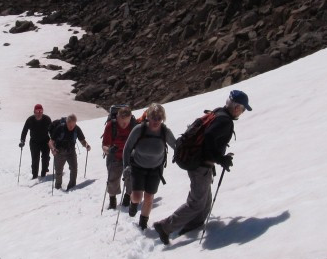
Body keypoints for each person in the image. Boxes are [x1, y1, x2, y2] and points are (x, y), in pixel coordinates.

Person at [153, 89, 252, 245]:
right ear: (236, 107)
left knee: (205, 202)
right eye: (242, 108)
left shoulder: (219, 113)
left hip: (198, 162)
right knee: (197, 202)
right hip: (200, 165)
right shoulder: (224, 121)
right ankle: (165, 226)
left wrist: (219, 159)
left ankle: (192, 227)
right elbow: (209, 140)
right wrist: (221, 159)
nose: (242, 112)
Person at [122, 102, 175, 230]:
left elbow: (176, 146)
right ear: (148, 117)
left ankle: (143, 223)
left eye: (159, 118)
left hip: (156, 169)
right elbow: (127, 148)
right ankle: (133, 204)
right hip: (138, 166)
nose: (156, 121)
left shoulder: (165, 132)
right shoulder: (139, 130)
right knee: (137, 196)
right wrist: (126, 166)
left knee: (149, 197)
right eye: (153, 118)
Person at [101, 106, 136, 209]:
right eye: (122, 122)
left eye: (127, 122)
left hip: (129, 157)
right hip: (114, 157)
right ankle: (112, 200)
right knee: (113, 180)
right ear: (118, 117)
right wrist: (109, 150)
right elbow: (104, 145)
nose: (125, 125)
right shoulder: (111, 126)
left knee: (131, 179)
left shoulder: (133, 125)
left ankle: (127, 196)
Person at [48, 114, 91, 190]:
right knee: (58, 171)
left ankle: (72, 187)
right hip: (59, 151)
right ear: (67, 122)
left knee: (74, 168)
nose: (71, 127)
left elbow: (82, 140)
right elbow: (51, 141)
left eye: (73, 125)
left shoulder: (77, 129)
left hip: (71, 151)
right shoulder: (60, 128)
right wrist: (53, 149)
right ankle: (58, 187)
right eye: (70, 125)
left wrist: (86, 145)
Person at [20, 103, 52, 179]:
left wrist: (53, 140)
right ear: (34, 112)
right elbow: (24, 131)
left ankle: (44, 173)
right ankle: (35, 175)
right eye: (37, 111)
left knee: (45, 158)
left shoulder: (47, 119)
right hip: (34, 142)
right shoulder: (30, 120)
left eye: (40, 111)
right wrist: (22, 140)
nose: (39, 113)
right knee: (35, 159)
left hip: (45, 141)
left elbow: (52, 130)